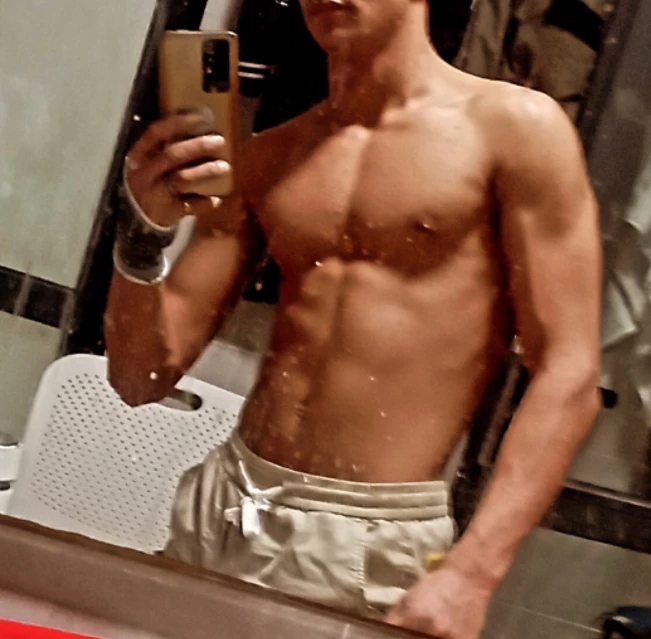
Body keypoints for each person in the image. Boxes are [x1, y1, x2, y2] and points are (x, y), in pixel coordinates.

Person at [104, 0, 602, 634]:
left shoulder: (513, 131)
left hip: (369, 536)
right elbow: (138, 376)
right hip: (225, 503)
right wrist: (142, 236)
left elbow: (570, 372)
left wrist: (473, 571)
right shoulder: (271, 155)